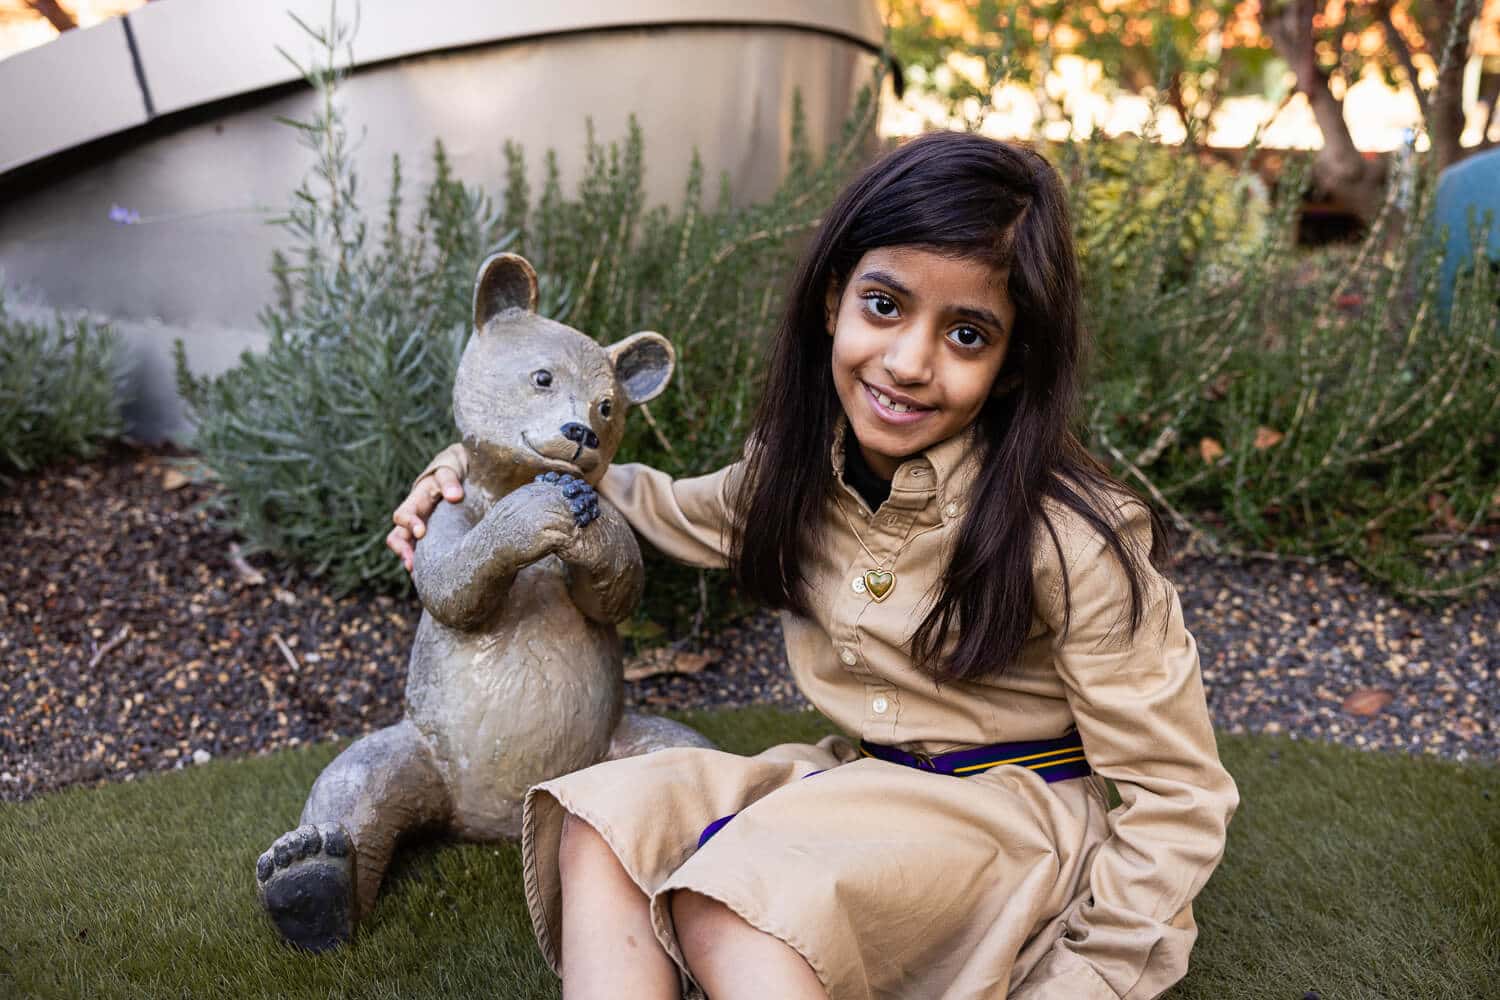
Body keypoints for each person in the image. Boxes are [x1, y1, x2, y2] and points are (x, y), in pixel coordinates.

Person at [386, 131, 1238, 1000]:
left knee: (731, 909)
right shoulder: (793, 477)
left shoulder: (1068, 536)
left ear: (1013, 363)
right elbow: (645, 499)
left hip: (1005, 819)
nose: (909, 362)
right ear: (834, 299)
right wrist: (471, 472)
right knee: (603, 824)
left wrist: (1092, 975)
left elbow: (1179, 795)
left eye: (968, 333)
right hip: (860, 783)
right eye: (884, 306)